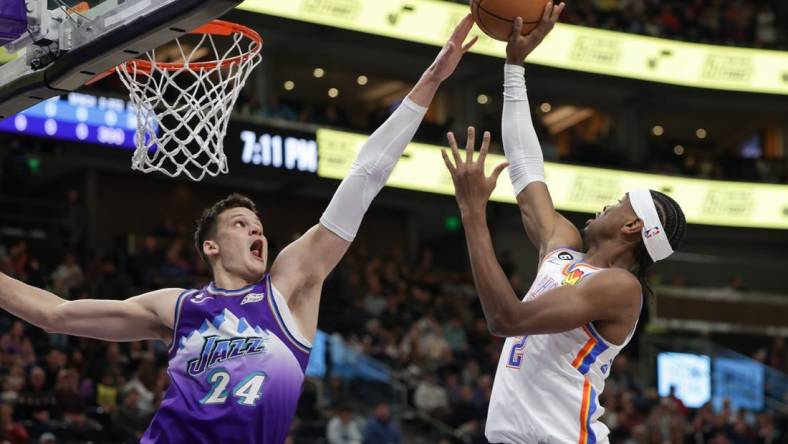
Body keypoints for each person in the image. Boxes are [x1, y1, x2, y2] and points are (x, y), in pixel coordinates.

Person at [0, 15, 478, 444]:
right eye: (241, 223)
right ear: (211, 245)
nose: (258, 231)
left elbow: (366, 176)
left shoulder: (289, 286)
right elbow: (57, 314)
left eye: (259, 225)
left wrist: (432, 80)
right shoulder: (178, 306)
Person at [440, 3, 687, 443]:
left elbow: (506, 318)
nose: (604, 208)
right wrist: (514, 67)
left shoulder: (620, 288)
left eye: (617, 205)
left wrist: (473, 214)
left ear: (633, 227)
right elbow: (525, 166)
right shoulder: (564, 246)